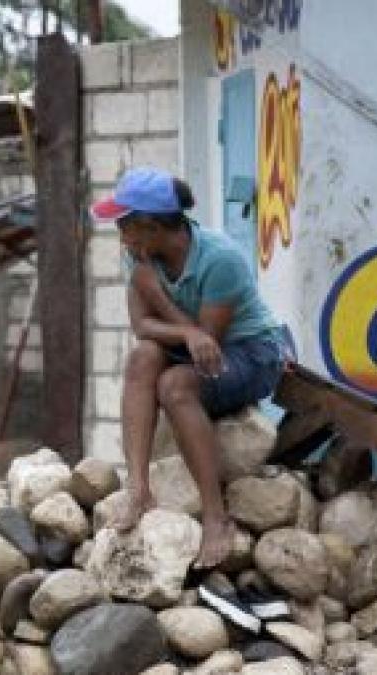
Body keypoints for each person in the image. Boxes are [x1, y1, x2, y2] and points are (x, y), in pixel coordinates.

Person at [91, 166, 285, 569]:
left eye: (124, 224)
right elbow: (143, 327)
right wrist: (154, 294)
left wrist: (154, 293)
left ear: (150, 226)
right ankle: (139, 488)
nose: (120, 234)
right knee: (142, 357)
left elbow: (207, 345)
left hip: (252, 352)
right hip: (197, 346)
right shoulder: (141, 255)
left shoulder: (219, 258)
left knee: (176, 386)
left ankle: (216, 516)